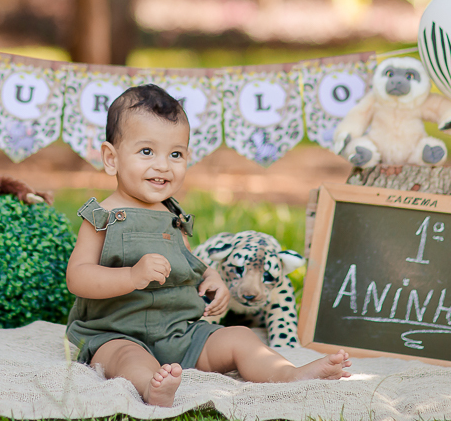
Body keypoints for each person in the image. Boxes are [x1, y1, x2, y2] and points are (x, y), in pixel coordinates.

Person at [66, 84, 350, 406]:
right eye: (147, 152)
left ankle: (288, 374)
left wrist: (210, 280)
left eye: (176, 154)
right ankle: (152, 387)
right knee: (127, 359)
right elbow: (78, 278)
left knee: (240, 337)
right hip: (115, 332)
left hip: (179, 333)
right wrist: (131, 277)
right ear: (111, 158)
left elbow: (188, 264)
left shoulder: (174, 217)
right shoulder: (101, 217)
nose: (163, 165)